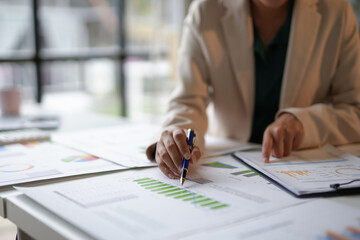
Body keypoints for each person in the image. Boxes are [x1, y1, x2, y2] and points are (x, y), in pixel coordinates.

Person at [146, 0, 360, 179]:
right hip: (232, 171)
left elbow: (354, 110)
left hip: (306, 170)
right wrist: (178, 136)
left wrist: (305, 123)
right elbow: (188, 101)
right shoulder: (206, 10)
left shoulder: (337, 11)